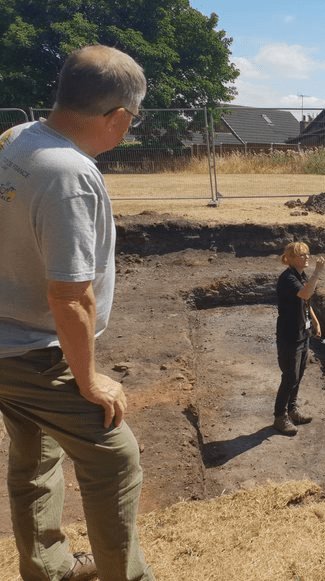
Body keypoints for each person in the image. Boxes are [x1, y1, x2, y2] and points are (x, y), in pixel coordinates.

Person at [0, 46, 155, 580]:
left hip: (7, 341)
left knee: (35, 454)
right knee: (115, 457)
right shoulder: (68, 174)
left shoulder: (18, 138)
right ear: (119, 116)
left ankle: (48, 568)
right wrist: (88, 381)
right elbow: (70, 296)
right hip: (32, 350)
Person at [273, 242, 325, 436]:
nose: (307, 257)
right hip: (289, 336)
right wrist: (317, 272)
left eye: (307, 254)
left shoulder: (300, 275)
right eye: (302, 255)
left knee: (299, 374)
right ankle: (280, 416)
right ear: (291, 259)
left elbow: (305, 300)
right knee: (290, 377)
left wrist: (315, 321)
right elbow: (306, 293)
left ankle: (292, 409)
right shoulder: (288, 278)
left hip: (302, 333)